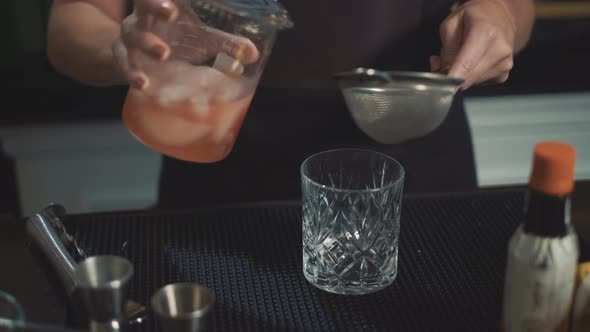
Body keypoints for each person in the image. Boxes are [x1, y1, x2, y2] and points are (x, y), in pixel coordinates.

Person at [46, 0, 535, 208]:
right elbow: (75, 18)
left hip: (414, 170)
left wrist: (500, 17)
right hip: (220, 180)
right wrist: (118, 47)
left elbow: (515, 5)